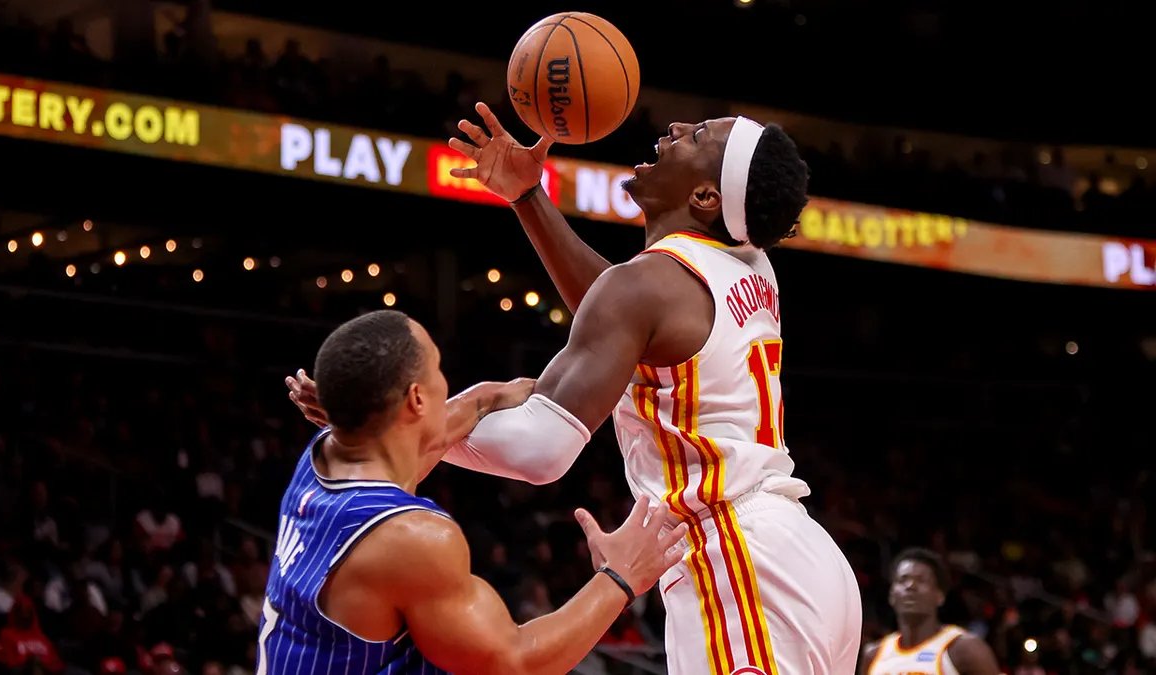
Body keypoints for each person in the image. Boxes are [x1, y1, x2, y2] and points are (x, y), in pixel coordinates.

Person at [291, 103, 861, 673]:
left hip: (736, 560)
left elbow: (539, 451)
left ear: (706, 198)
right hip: (799, 556)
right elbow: (616, 310)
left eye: (698, 136)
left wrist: (440, 416)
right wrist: (527, 196)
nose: (676, 129)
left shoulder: (649, 287)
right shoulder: (748, 262)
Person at [261, 310, 689, 675]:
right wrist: (620, 578)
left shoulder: (325, 455)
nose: (445, 383)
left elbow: (471, 408)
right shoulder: (409, 539)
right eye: (437, 371)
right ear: (415, 400)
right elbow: (515, 663)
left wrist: (536, 395)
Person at [859, 548, 1001, 675]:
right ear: (891, 595)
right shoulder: (873, 654)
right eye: (903, 580)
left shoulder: (965, 649)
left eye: (921, 580)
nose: (910, 586)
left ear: (940, 596)